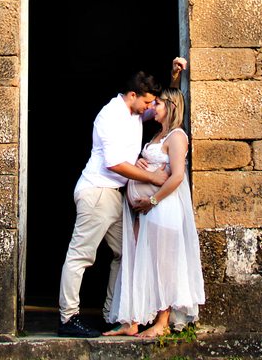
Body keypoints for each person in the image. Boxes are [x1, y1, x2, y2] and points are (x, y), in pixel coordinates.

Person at [56, 67, 170, 338]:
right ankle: (68, 319)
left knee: (126, 253)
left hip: (111, 196)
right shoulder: (111, 115)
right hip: (97, 191)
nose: (149, 108)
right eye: (146, 102)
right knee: (81, 255)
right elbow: (115, 163)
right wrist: (152, 177)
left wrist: (175, 76)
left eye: (150, 104)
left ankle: (111, 315)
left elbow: (165, 106)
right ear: (132, 95)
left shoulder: (134, 109)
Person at [104, 74, 204, 338]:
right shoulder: (158, 135)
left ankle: (162, 323)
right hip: (146, 213)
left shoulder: (177, 136)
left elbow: (178, 176)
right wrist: (138, 164)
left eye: (157, 104)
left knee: (164, 263)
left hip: (163, 209)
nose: (152, 107)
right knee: (140, 260)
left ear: (169, 107)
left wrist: (152, 200)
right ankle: (133, 321)